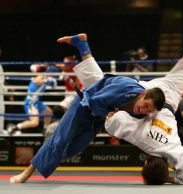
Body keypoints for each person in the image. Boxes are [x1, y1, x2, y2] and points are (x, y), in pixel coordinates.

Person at [10, 9, 183, 184]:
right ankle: (27, 173)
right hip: (148, 96)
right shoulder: (150, 140)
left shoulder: (172, 146)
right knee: (76, 122)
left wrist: (170, 177)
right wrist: (170, 179)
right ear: (146, 162)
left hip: (164, 95)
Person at [9, 32, 165, 183]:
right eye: (146, 106)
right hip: (85, 105)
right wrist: (110, 116)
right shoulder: (125, 89)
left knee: (71, 151)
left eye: (149, 111)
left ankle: (82, 43)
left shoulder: (144, 111)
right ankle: (26, 173)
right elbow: (95, 100)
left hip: (96, 118)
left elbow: (141, 129)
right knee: (59, 141)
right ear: (144, 94)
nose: (144, 111)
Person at [105, 9, 183, 184]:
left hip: (168, 95)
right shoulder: (139, 139)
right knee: (101, 90)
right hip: (144, 93)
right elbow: (114, 122)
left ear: (166, 165)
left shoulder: (174, 150)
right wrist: (110, 117)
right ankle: (85, 53)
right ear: (145, 161)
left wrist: (171, 179)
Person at [7, 66, 59, 135]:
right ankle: (15, 128)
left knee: (49, 112)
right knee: (34, 123)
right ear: (52, 73)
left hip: (36, 101)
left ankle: (45, 130)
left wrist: (49, 81)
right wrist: (47, 81)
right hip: (31, 102)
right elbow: (37, 81)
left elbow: (54, 85)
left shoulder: (46, 77)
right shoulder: (41, 76)